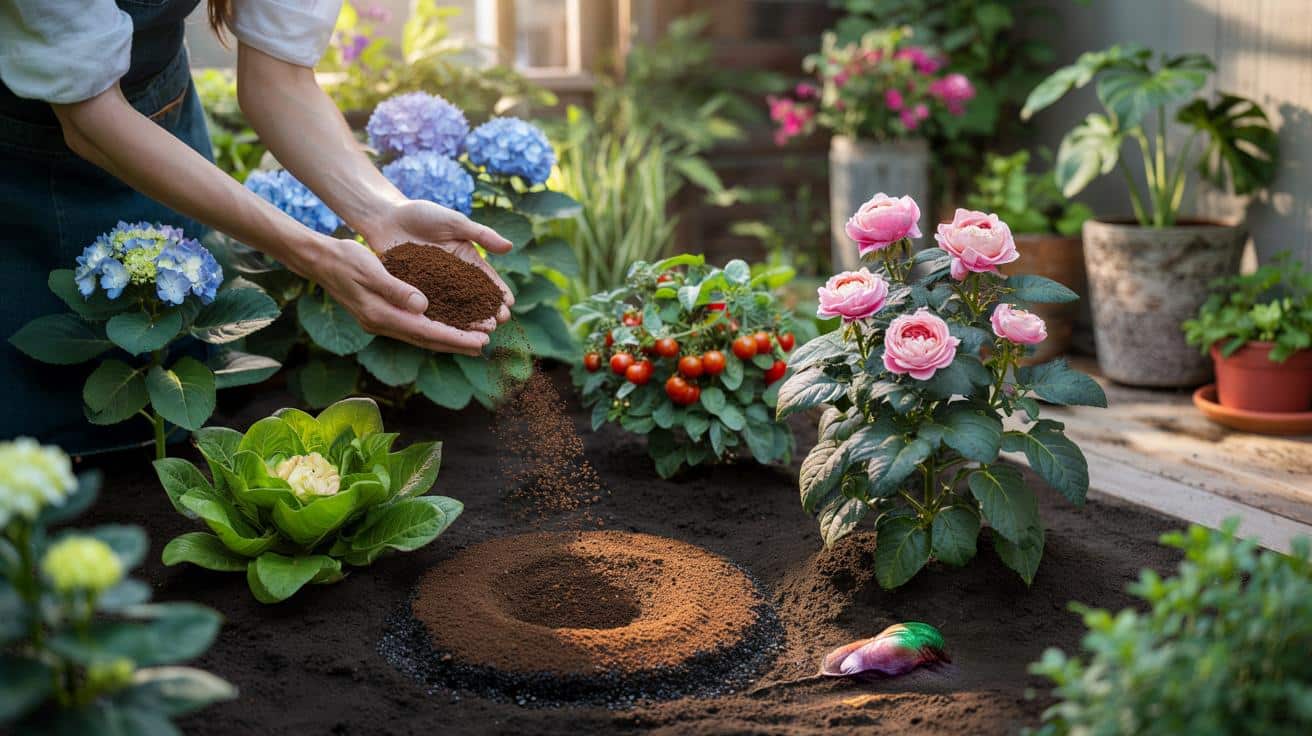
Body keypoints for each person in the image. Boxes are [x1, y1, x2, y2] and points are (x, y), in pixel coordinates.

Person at [0, 0, 515, 453]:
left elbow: (279, 80)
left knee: (168, 418)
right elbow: (90, 116)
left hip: (168, 140)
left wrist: (381, 211)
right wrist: (315, 254)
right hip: (20, 170)